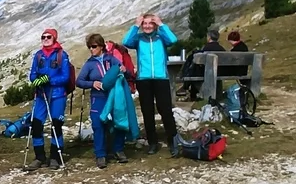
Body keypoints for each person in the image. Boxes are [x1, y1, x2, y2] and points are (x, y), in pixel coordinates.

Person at [123, 13, 180, 156]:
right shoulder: (138, 39)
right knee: (147, 112)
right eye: (145, 23)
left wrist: (161, 24)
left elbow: (173, 40)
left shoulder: (161, 37)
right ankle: (153, 143)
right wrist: (136, 25)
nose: (147, 26)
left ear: (154, 25)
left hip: (161, 78)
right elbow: (126, 41)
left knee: (165, 110)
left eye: (150, 23)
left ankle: (173, 140)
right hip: (144, 79)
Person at [76, 33, 126, 168]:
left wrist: (122, 69)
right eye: (89, 47)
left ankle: (118, 150)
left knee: (117, 122)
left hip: (114, 97)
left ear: (101, 46)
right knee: (98, 125)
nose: (91, 49)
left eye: (94, 46)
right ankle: (100, 155)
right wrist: (92, 84)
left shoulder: (111, 59)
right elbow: (79, 81)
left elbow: (122, 68)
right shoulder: (89, 64)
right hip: (97, 98)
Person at [25, 28, 72, 170]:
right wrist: (36, 80)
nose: (45, 39)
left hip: (58, 95)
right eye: (43, 37)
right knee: (37, 125)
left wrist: (49, 79)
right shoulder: (38, 55)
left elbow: (65, 77)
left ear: (54, 38)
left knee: (56, 125)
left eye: (48, 37)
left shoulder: (62, 55)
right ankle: (39, 157)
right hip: (41, 95)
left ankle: (55, 158)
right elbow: (32, 74)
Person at [185, 29, 226, 100]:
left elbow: (198, 62)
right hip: (220, 72)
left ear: (209, 37)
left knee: (193, 71)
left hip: (207, 73)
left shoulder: (206, 48)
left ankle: (192, 94)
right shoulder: (221, 48)